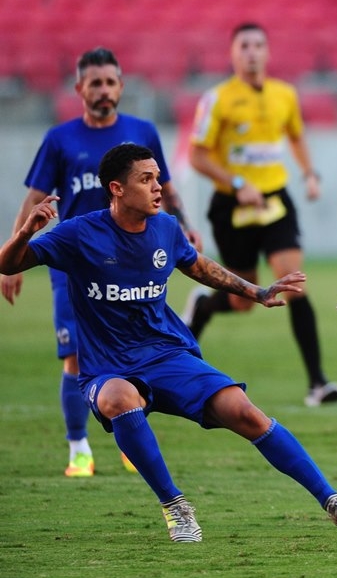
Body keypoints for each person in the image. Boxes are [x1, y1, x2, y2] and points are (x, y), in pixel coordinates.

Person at [0, 143, 337, 542]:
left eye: (158, 176)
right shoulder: (79, 233)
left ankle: (331, 500)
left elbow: (198, 265)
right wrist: (25, 232)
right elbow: (9, 264)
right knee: (119, 400)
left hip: (167, 356)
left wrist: (257, 291)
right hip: (108, 367)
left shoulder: (165, 227)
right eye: (146, 179)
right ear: (117, 189)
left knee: (244, 411)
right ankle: (176, 507)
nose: (158, 186)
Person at [0, 47, 202, 479]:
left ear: (121, 86)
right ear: (79, 89)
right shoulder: (60, 139)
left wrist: (185, 226)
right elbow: (35, 198)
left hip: (133, 263)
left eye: (111, 82)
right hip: (74, 266)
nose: (104, 90)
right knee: (74, 357)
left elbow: (164, 184)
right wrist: (15, 249)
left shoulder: (141, 132)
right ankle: (79, 450)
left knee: (141, 349)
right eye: (95, 83)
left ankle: (133, 439)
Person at [183, 21, 337, 408]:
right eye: (244, 46)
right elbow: (197, 155)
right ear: (232, 53)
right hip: (231, 206)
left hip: (275, 201)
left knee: (295, 284)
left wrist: (309, 173)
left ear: (268, 52)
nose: (252, 52)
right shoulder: (217, 99)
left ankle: (317, 384)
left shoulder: (284, 94)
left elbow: (296, 134)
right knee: (242, 299)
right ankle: (203, 305)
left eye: (258, 45)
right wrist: (238, 184)